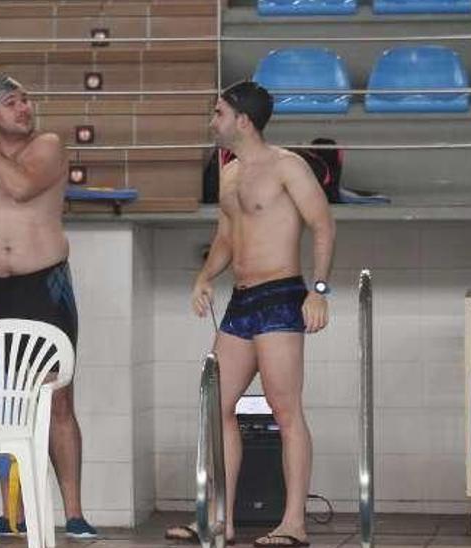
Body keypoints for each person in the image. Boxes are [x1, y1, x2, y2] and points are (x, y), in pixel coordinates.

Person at [166, 80, 335, 548]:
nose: (212, 121)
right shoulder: (230, 172)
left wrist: (317, 291)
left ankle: (294, 523)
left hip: (282, 296)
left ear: (242, 120)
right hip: (241, 301)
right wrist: (204, 277)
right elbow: (227, 237)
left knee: (285, 411)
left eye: (218, 112)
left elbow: (322, 225)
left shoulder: (288, 167)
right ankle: (223, 519)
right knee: (216, 407)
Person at [0, 75, 98, 540]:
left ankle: (72, 511)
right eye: (11, 103)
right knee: (1, 404)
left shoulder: (48, 147)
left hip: (42, 287)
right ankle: (13, 513)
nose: (25, 108)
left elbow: (20, 188)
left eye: (27, 100)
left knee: (57, 401)